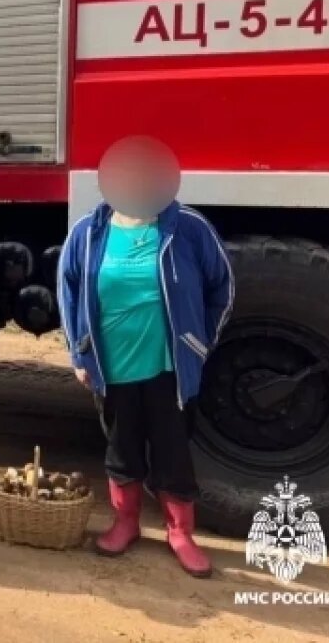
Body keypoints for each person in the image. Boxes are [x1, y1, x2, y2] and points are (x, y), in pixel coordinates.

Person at [56, 136, 234, 579]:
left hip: (168, 367)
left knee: (173, 450)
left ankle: (180, 533)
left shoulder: (188, 227)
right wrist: (79, 353)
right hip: (112, 366)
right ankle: (126, 523)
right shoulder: (88, 232)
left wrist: (199, 343)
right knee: (122, 447)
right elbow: (68, 290)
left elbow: (222, 286)